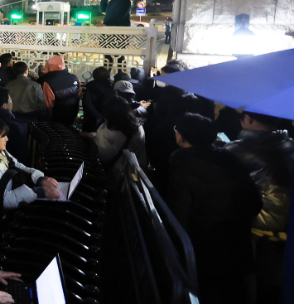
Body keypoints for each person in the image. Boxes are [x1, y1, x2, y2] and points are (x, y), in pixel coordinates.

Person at [167, 113, 262, 304]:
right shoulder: (230, 159)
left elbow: (179, 220)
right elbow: (255, 203)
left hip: (204, 254)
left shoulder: (181, 168)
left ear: (181, 136)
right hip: (237, 247)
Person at [223, 111, 294, 303]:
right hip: (286, 223)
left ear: (249, 119)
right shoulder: (290, 143)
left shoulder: (237, 150)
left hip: (258, 223)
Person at [0, 116, 59, 238]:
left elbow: (18, 165)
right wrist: (38, 192)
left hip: (2, 216)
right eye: (3, 136)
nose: (7, 139)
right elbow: (4, 199)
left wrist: (39, 178)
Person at [92, 96, 146, 177]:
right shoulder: (135, 124)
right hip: (133, 172)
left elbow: (103, 155)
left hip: (118, 175)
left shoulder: (117, 129)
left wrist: (91, 139)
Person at [0, 88, 30, 166]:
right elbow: (22, 155)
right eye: (10, 99)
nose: (11, 101)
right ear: (4, 105)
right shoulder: (13, 127)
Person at [38, 55, 80, 127]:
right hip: (72, 114)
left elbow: (48, 103)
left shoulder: (46, 80)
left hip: (55, 118)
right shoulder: (74, 77)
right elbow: (79, 95)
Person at [82, 66, 113, 133]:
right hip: (106, 119)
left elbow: (87, 103)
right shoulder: (110, 87)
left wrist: (97, 116)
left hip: (90, 119)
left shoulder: (90, 87)